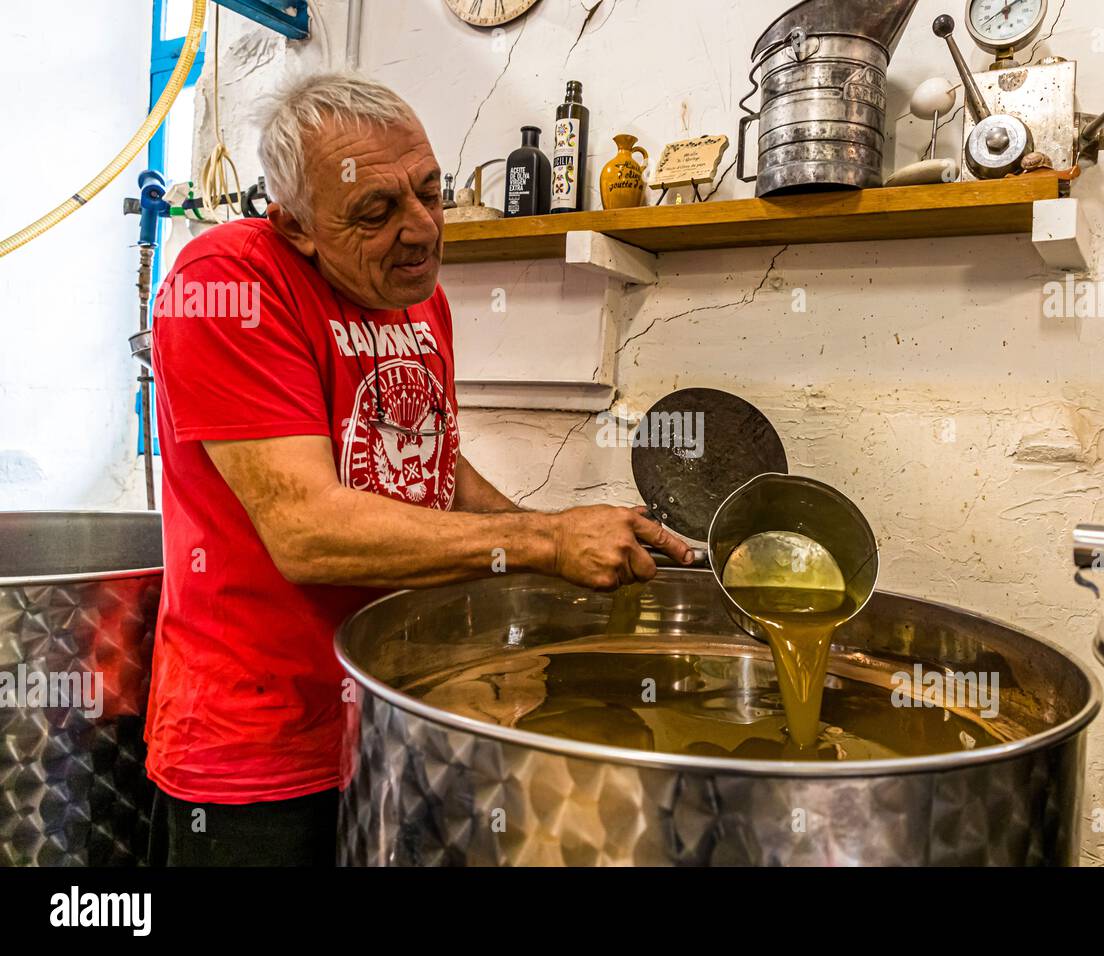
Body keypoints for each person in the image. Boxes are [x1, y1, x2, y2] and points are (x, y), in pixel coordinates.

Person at [145, 72, 693, 866]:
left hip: (396, 707)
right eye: (377, 211)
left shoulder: (414, 297)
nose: (422, 229)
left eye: (429, 193)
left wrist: (561, 540)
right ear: (293, 223)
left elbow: (430, 459)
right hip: (258, 744)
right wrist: (542, 544)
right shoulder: (228, 286)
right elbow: (306, 532)